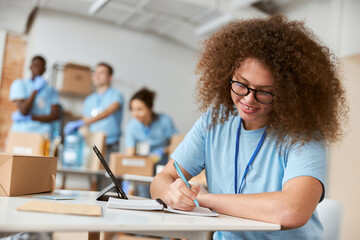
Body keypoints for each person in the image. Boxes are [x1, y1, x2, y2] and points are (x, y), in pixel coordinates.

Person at [150, 15, 348, 239]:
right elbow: (161, 180)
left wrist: (204, 199)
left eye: (264, 91)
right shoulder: (214, 121)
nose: (249, 99)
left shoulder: (303, 136)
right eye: (241, 85)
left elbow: (293, 210)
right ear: (227, 75)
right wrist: (172, 192)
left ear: (288, 94)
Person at [125, 88, 178, 197]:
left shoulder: (164, 120)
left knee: (163, 197)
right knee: (145, 197)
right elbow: (130, 152)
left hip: (164, 166)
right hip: (144, 167)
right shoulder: (131, 126)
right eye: (133, 109)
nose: (135, 114)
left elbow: (177, 143)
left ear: (150, 108)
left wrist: (163, 151)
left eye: (140, 109)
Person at [64, 62, 125, 157]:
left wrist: (83, 122)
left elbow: (107, 112)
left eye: (102, 72)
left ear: (110, 77)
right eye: (95, 73)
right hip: (92, 145)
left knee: (109, 172)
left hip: (110, 146)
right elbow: (85, 125)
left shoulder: (116, 95)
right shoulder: (89, 100)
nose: (97, 75)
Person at [9, 55, 61, 139]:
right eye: (36, 65)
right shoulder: (19, 84)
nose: (38, 69)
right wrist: (35, 90)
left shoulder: (51, 91)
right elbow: (24, 110)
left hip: (43, 134)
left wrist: (31, 117)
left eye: (41, 66)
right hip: (21, 132)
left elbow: (55, 115)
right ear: (30, 67)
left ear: (44, 70)